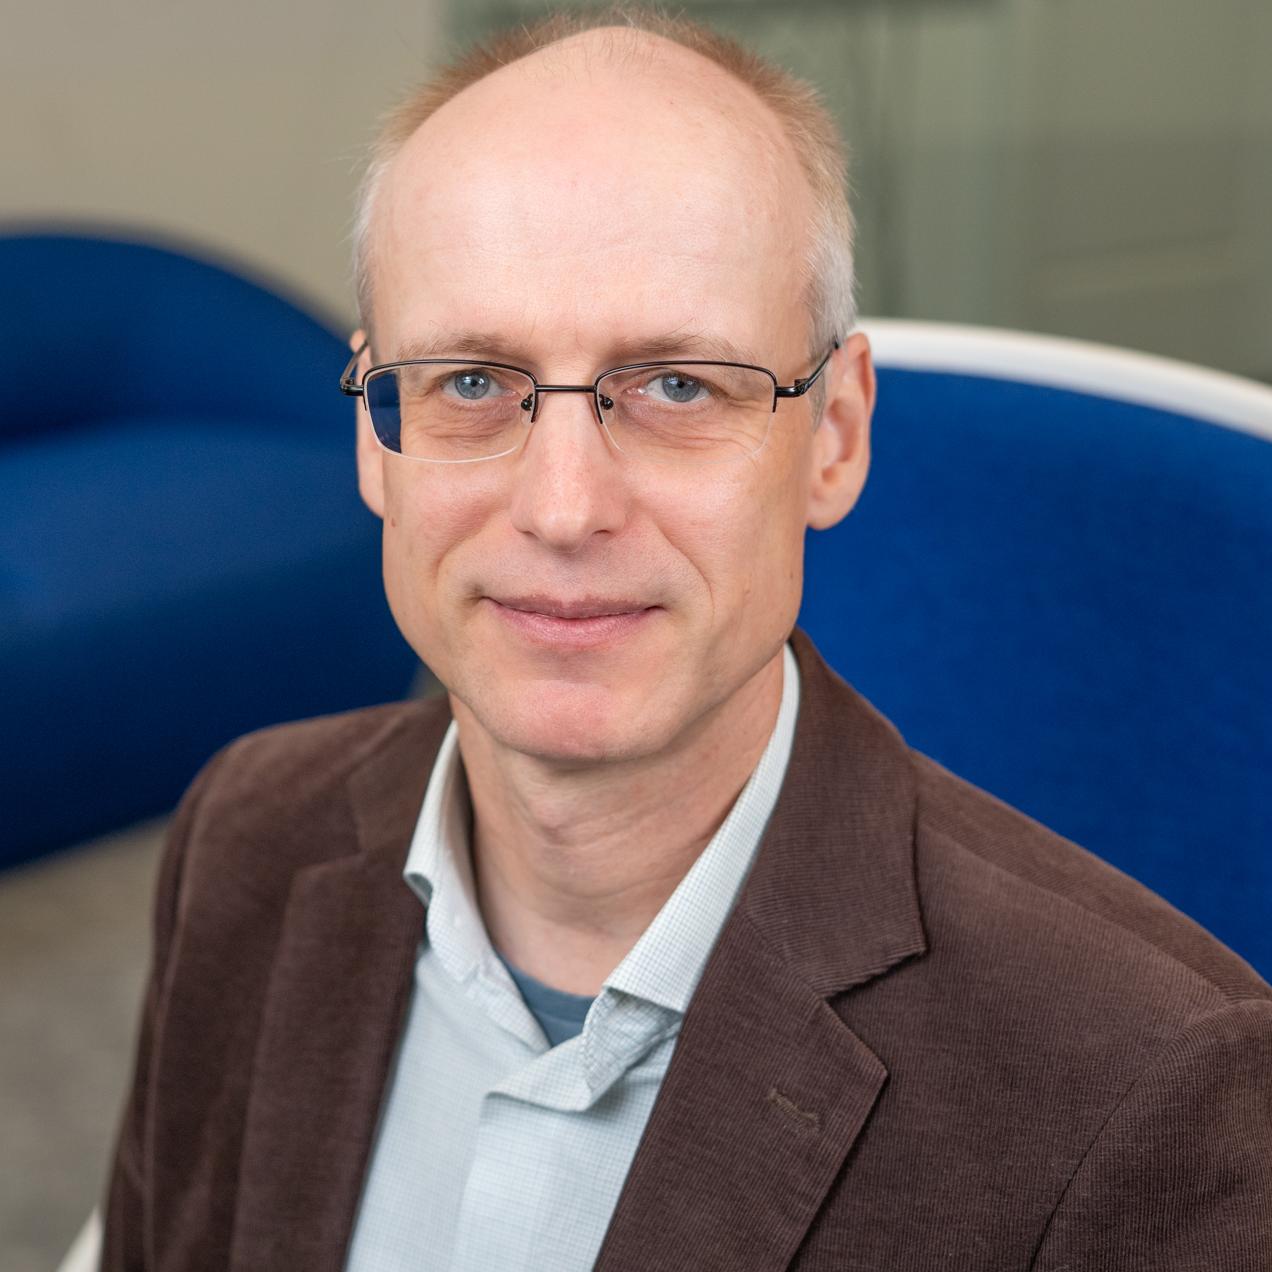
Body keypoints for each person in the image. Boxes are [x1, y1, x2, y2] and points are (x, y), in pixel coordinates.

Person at [101, 8, 1272, 1270]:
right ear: (377, 433)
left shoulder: (1153, 1091)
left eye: (676, 388)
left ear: (835, 436)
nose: (562, 508)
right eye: (474, 383)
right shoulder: (246, 833)